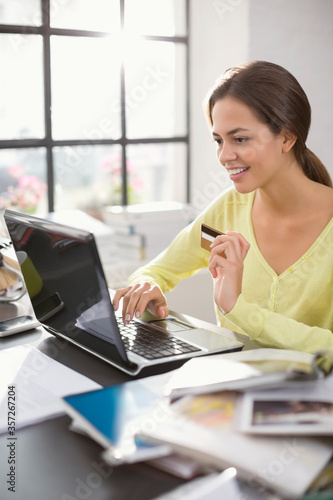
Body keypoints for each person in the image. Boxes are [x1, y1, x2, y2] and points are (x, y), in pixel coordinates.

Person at [113, 60, 333, 358]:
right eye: (219, 140)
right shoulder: (228, 210)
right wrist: (146, 285)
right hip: (228, 393)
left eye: (240, 139)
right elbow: (159, 270)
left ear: (287, 137)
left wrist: (237, 308)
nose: (224, 155)